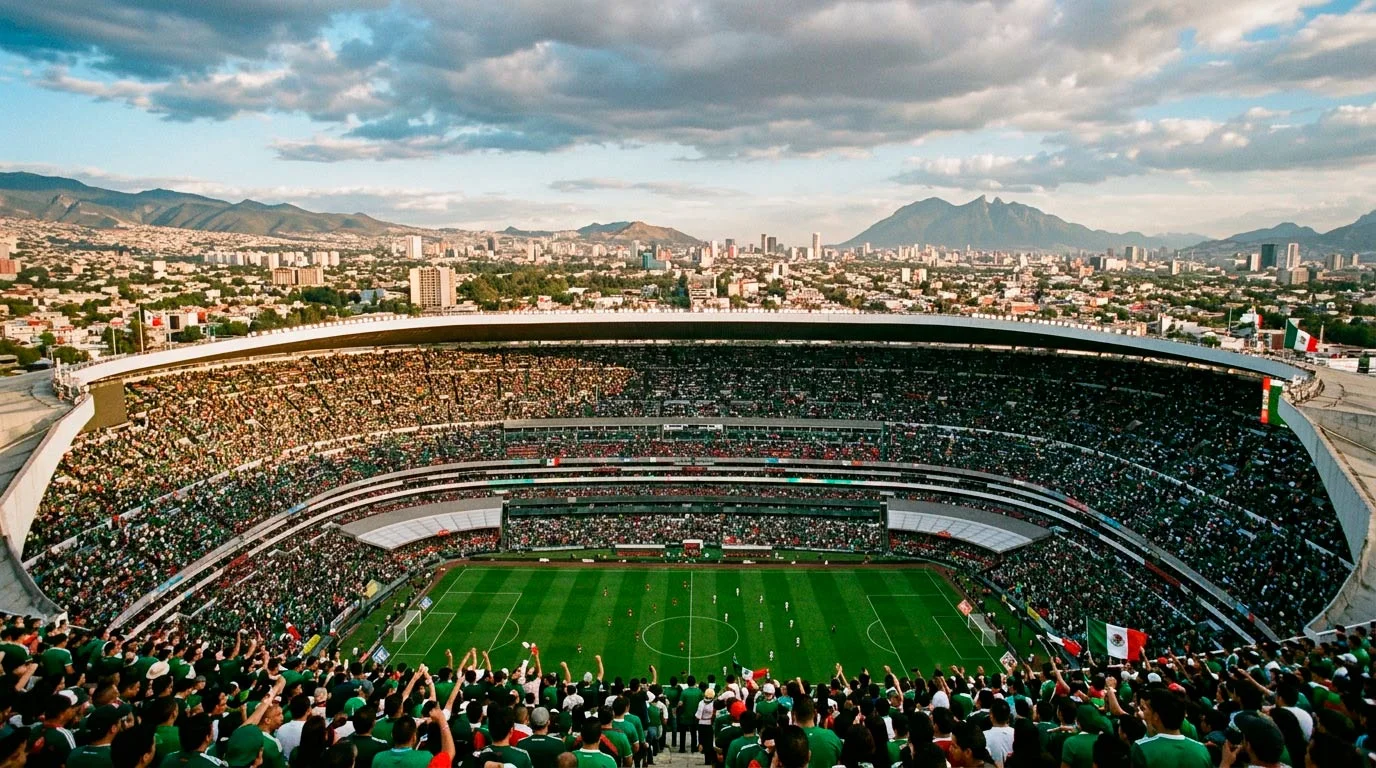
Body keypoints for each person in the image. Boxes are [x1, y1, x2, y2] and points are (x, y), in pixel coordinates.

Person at [1131, 690, 1210, 768]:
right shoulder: (1201, 749)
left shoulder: (1141, 748)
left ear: (1156, 715)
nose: (1143, 713)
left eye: (1144, 709)